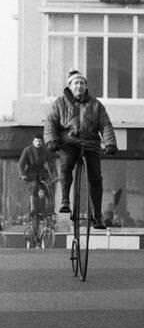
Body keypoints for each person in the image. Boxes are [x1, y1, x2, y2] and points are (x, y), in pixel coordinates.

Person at [45, 70, 118, 228]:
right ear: (70, 86)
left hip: (91, 143)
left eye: (82, 83)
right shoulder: (59, 103)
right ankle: (65, 200)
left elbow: (105, 124)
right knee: (65, 166)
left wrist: (110, 143)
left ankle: (97, 216)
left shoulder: (96, 105)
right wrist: (52, 140)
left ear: (86, 87)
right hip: (69, 142)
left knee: (96, 178)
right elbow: (50, 122)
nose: (79, 86)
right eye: (76, 83)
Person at [17, 135, 54, 219]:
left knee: (45, 191)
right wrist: (22, 174)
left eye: (40, 141)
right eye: (36, 141)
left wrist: (51, 173)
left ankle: (43, 210)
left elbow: (51, 162)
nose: (38, 143)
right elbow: (20, 164)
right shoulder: (27, 150)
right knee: (34, 188)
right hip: (31, 174)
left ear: (42, 142)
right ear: (33, 142)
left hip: (42, 174)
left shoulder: (45, 150)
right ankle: (33, 210)